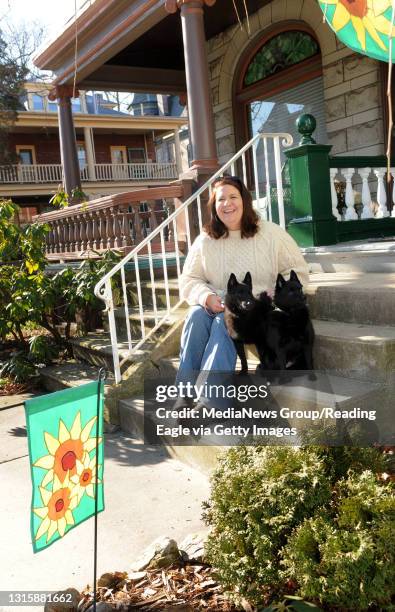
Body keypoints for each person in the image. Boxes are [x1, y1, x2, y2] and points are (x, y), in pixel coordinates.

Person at [175, 175, 309, 405]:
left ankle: (211, 402)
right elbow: (189, 279)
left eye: (233, 197)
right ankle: (184, 394)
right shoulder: (205, 240)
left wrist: (275, 301)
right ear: (214, 206)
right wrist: (206, 297)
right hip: (221, 305)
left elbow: (297, 272)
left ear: (245, 201)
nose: (227, 204)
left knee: (223, 322)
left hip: (260, 312)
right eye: (220, 199)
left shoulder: (271, 233)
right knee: (196, 315)